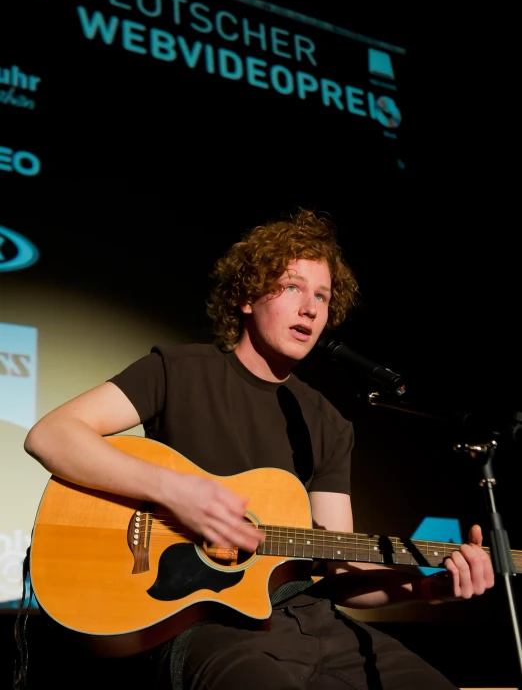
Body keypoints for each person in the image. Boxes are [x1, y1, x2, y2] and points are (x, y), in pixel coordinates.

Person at [24, 208, 495, 690]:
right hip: (207, 627)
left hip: (319, 625)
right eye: (292, 287)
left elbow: (340, 570)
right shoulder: (178, 371)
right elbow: (51, 434)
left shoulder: (328, 423)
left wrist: (425, 587)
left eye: (322, 297)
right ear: (248, 296)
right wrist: (177, 494)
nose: (310, 308)